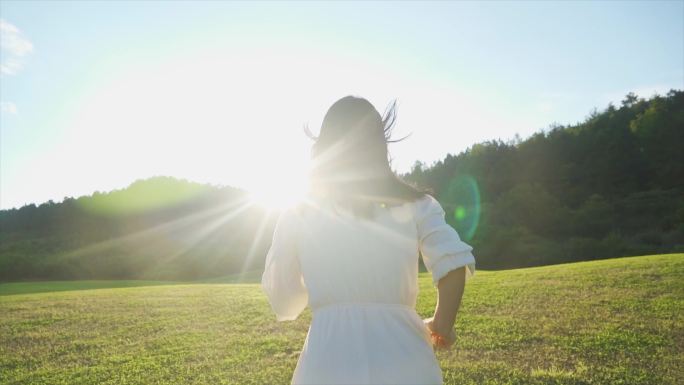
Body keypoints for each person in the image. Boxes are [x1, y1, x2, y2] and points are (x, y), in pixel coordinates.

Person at [261, 96, 476, 385]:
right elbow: (452, 263)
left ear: (324, 149)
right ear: (380, 146)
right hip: (405, 357)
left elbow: (283, 297)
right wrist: (442, 325)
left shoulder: (298, 212)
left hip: (327, 360)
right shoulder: (418, 204)